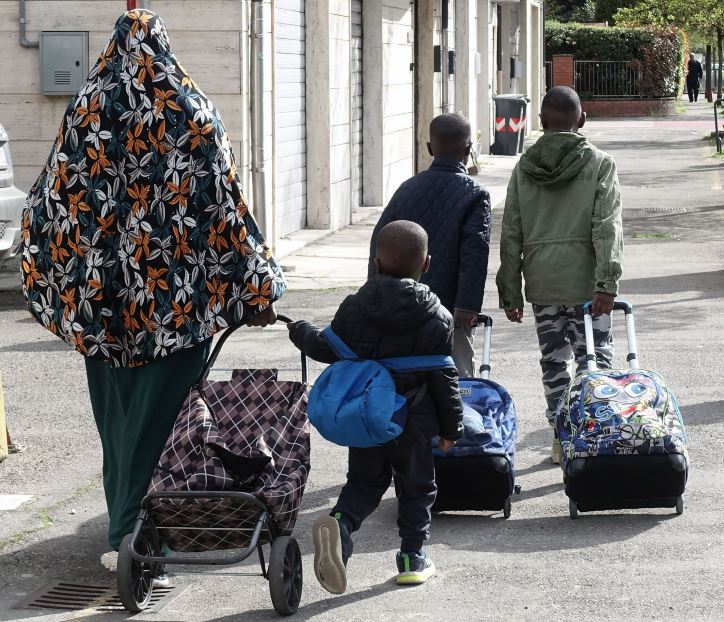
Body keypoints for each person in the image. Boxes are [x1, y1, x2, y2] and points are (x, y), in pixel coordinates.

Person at [20, 9, 286, 563]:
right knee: (165, 423)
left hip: (101, 310)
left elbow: (50, 202)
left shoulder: (86, 112)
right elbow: (224, 206)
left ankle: (129, 526)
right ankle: (137, 536)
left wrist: (62, 283)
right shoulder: (190, 113)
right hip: (176, 309)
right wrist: (257, 283)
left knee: (117, 424)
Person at [288, 221, 464, 593]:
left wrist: (299, 329)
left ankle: (342, 524)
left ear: (376, 263)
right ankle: (412, 558)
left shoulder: (355, 308)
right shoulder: (437, 317)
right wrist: (452, 428)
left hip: (365, 416)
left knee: (365, 482)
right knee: (417, 489)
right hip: (412, 422)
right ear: (427, 263)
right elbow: (443, 379)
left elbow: (325, 348)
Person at [496, 86, 623, 464]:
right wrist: (607, 281)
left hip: (542, 283)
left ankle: (560, 435)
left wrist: (511, 292)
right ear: (581, 120)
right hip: (588, 286)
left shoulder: (524, 166)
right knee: (594, 360)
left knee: (555, 362)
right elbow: (607, 226)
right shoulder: (600, 163)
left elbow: (511, 231)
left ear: (541, 121)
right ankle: (595, 431)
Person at [368, 114, 491, 378]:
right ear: (469, 150)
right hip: (450, 310)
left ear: (429, 148)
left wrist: (375, 294)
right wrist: (467, 306)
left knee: (403, 376)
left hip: (401, 306)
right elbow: (475, 252)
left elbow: (379, 241)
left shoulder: (406, 189)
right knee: (455, 378)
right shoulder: (475, 194)